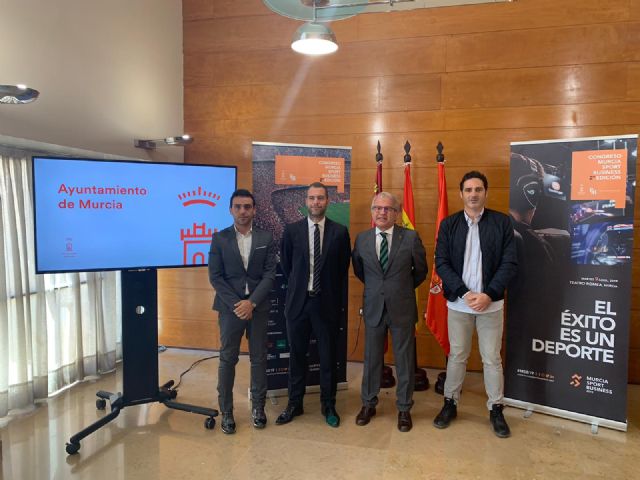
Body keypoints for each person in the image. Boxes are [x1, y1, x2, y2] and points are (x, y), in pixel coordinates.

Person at [432, 171, 517, 438]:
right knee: (457, 355)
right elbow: (441, 262)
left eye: (478, 189)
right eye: (468, 190)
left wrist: (488, 294)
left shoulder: (502, 223)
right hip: (459, 304)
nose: (473, 194)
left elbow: (509, 263)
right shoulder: (449, 225)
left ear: (485, 193)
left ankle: (496, 409)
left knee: (491, 358)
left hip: (491, 305)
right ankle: (450, 403)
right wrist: (464, 292)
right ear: (461, 194)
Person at [275, 182, 351, 428]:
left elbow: (342, 269)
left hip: (326, 304)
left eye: (320, 198)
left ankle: (328, 405)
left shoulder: (340, 232)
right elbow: (287, 266)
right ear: (305, 201)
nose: (316, 202)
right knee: (297, 356)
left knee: (328, 358)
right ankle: (294, 403)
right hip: (298, 304)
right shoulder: (292, 231)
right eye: (312, 198)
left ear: (327, 201)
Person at [351, 191, 427, 432]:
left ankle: (404, 408)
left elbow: (421, 272)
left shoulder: (411, 238)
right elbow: (360, 270)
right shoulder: (362, 239)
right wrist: (380, 290)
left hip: (402, 307)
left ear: (396, 213)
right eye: (377, 208)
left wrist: (399, 289)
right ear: (372, 212)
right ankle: (368, 404)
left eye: (388, 209)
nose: (382, 212)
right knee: (372, 358)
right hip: (374, 307)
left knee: (404, 360)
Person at [208, 189, 277, 434]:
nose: (243, 211)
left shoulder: (266, 238)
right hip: (230, 309)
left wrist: (252, 303)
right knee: (228, 359)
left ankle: (258, 408)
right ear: (230, 210)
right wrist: (238, 304)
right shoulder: (219, 239)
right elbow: (215, 277)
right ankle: (226, 411)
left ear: (254, 210)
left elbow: (270, 274)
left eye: (247, 206)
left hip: (258, 307)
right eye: (238, 207)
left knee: (259, 359)